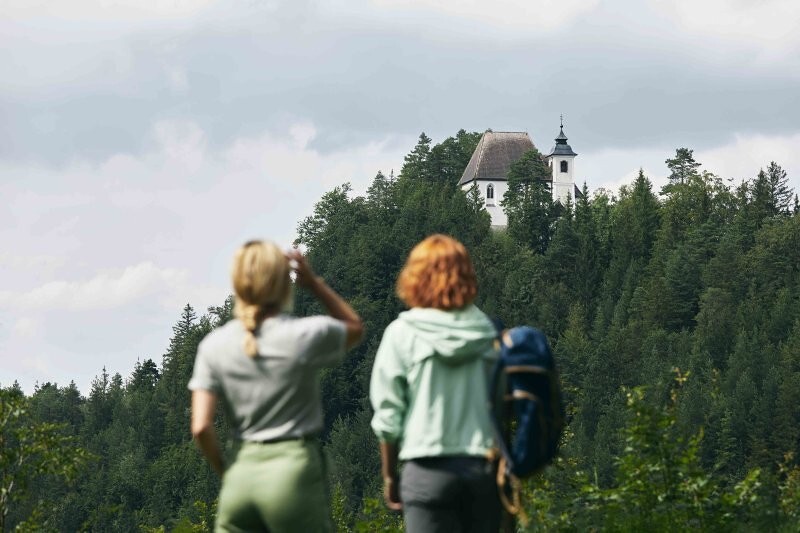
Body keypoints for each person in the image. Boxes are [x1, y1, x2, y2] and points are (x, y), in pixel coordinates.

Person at [189, 240, 363, 533]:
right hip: (292, 471)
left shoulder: (212, 346)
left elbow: (201, 428)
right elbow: (354, 327)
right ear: (284, 283)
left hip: (241, 479)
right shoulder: (304, 334)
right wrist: (315, 284)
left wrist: (228, 473)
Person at [370, 234, 500, 532]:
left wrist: (391, 477)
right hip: (481, 472)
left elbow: (388, 417)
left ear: (415, 277)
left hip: (427, 472)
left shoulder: (402, 333)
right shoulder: (486, 332)